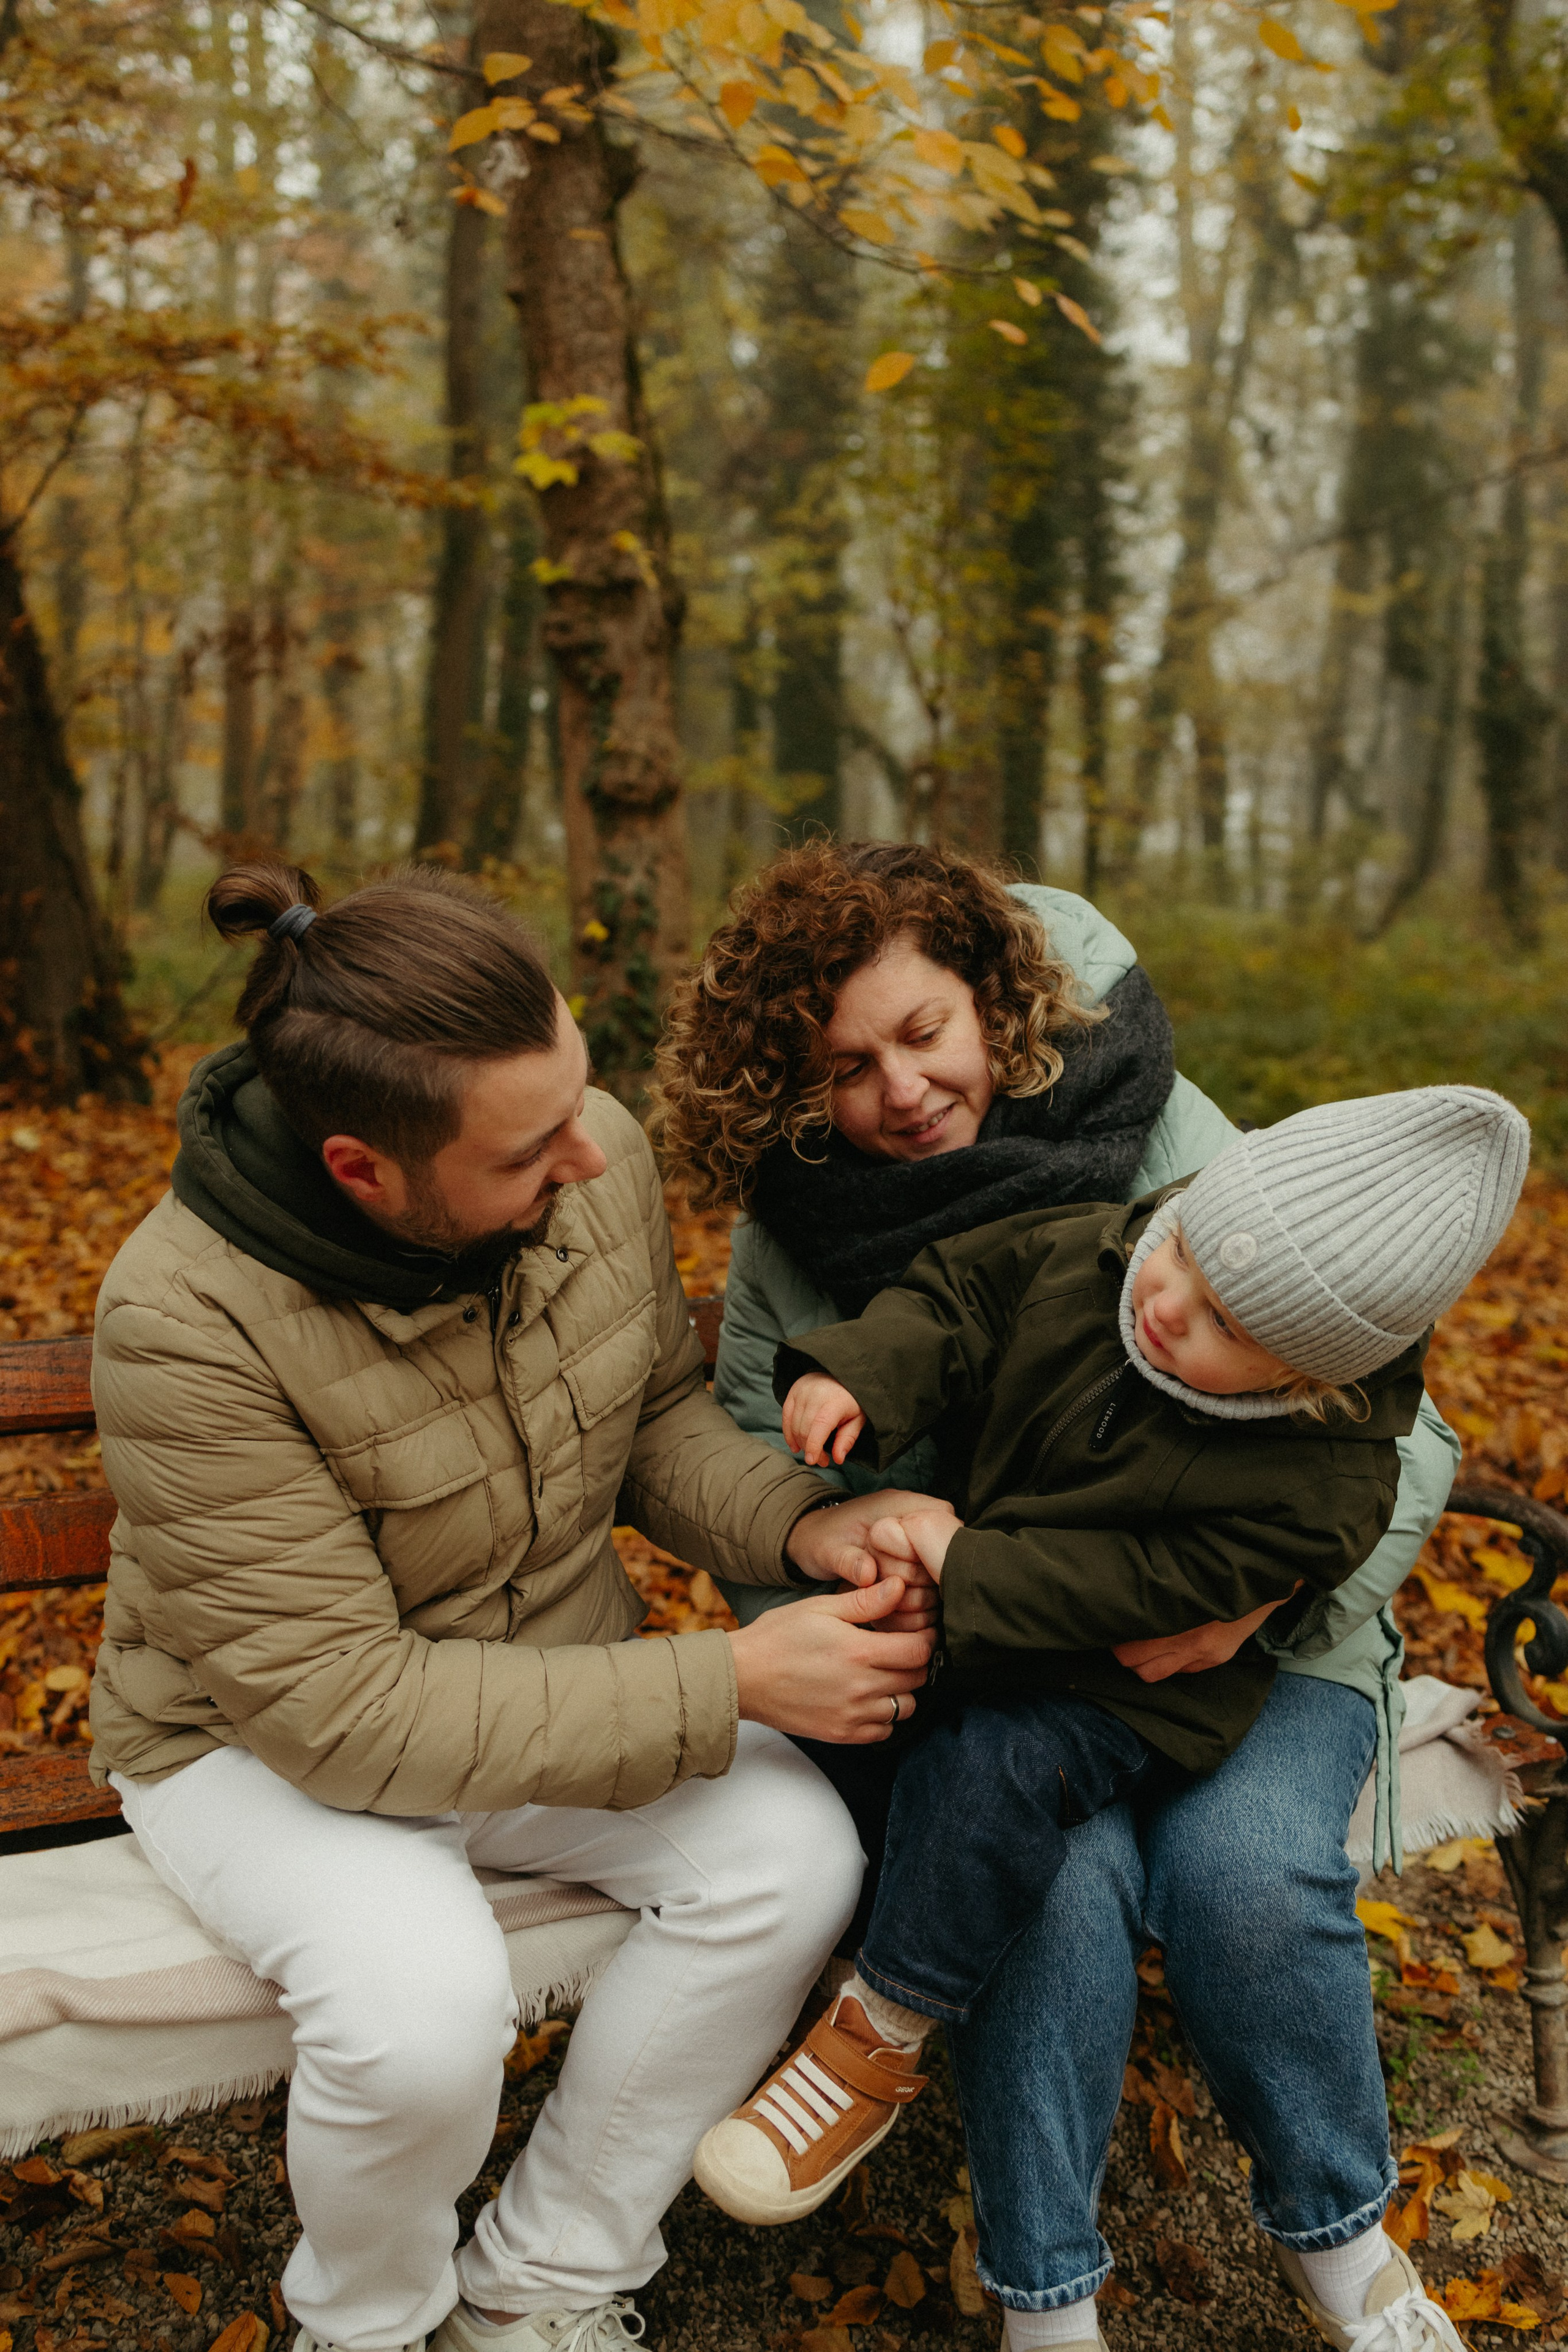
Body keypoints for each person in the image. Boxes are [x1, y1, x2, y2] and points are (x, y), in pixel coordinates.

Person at [87, 860, 949, 2352]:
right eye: (532, 1145)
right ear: (365, 1169)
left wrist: (812, 1528)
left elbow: (654, 1419)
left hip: (541, 1683)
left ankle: (542, 2284)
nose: (593, 1158)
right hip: (261, 1750)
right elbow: (341, 1711)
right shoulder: (185, 1318)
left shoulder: (576, 1155)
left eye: (580, 1099)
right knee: (420, 2012)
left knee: (794, 1856)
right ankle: (364, 2324)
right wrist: (731, 1682)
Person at [652, 840, 1469, 2352]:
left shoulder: (1151, 1134)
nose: (899, 1092)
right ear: (782, 1084)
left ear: (991, 1000)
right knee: (1048, 1879)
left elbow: (1393, 1439)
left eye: (923, 1033)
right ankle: (1048, 2301)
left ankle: (1340, 2244)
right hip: (1001, 1658)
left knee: (1239, 1879)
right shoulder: (790, 1236)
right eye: (844, 1066)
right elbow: (770, 1487)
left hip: (1246, 1640)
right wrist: (861, 1509)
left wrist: (1256, 1602)